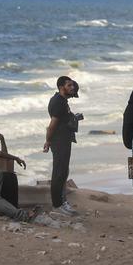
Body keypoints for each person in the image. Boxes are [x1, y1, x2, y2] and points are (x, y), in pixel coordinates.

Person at [44, 76, 79, 216]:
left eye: (72, 85)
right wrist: (48, 141)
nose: (72, 88)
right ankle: (57, 205)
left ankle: (62, 201)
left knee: (63, 172)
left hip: (63, 139)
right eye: (69, 85)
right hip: (59, 141)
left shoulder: (62, 100)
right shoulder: (58, 102)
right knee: (58, 172)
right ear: (61, 87)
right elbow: (51, 126)